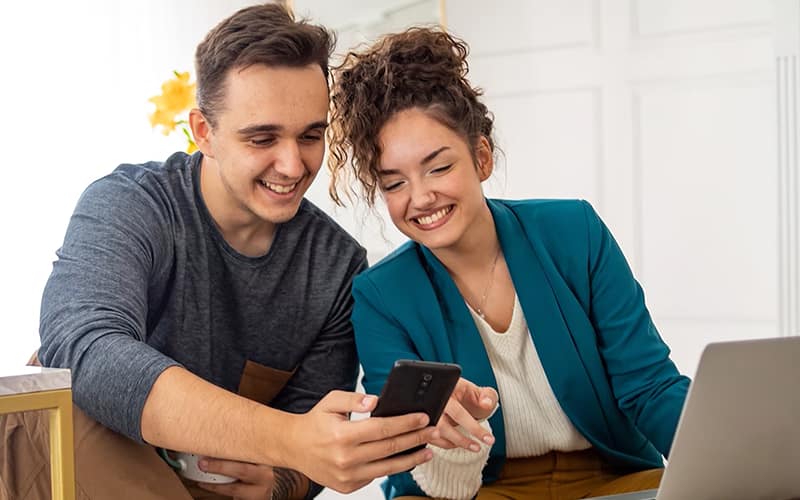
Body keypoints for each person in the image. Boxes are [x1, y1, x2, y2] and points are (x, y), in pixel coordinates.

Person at [0, 5, 440, 500]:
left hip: (206, 486)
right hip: (68, 461)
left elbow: (308, 451)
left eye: (311, 136)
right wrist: (287, 440)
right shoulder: (129, 205)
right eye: (263, 137)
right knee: (81, 398)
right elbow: (82, 351)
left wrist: (278, 481)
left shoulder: (335, 268)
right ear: (203, 132)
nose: (293, 165)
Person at [328, 27, 691, 500]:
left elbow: (649, 387)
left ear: (480, 158)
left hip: (611, 479)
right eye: (394, 183)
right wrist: (454, 445)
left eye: (438, 167)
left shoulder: (573, 232)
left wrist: (733, 459)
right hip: (485, 491)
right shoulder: (381, 296)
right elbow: (405, 467)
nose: (420, 198)